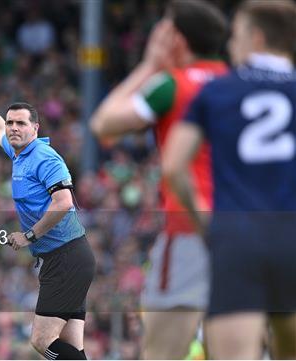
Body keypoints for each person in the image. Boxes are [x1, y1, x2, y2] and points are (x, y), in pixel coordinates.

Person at [89, 0, 228, 358]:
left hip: (189, 230)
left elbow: (103, 125)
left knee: (161, 352)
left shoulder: (171, 86)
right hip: (249, 231)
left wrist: (150, 65)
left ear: (175, 38)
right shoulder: (238, 84)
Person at [163, 1, 296, 358]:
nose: (230, 46)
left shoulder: (217, 91)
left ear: (256, 37)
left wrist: (205, 224)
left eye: (235, 36)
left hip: (237, 240)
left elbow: (174, 166)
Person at [0, 65, 95, 360]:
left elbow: (64, 203)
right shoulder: (19, 153)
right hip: (64, 258)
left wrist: (29, 236)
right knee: (72, 348)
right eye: (11, 123)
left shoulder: (45, 158)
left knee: (41, 340)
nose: (13, 128)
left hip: (66, 256)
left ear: (36, 128)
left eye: (21, 123)